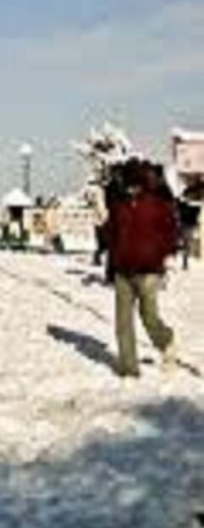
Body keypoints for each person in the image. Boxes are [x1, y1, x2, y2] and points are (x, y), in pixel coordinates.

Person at [107, 159, 179, 379]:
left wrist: (163, 255)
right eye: (126, 184)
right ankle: (129, 369)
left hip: (149, 270)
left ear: (141, 183)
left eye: (133, 184)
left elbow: (170, 232)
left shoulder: (156, 204)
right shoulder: (118, 206)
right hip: (123, 271)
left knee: (149, 317)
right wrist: (111, 265)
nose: (130, 188)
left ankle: (166, 340)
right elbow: (112, 236)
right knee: (122, 323)